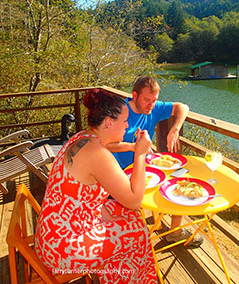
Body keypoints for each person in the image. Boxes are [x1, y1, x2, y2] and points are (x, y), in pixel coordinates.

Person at [34, 88, 157, 284]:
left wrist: (108, 219)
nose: (128, 126)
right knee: (138, 234)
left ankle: (116, 277)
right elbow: (134, 200)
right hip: (62, 252)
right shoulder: (98, 154)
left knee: (128, 215)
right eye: (125, 121)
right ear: (109, 122)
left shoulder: (83, 138)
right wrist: (140, 153)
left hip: (52, 234)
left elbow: (90, 196)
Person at [108, 76, 203, 246]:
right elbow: (106, 145)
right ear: (134, 95)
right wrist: (134, 147)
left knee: (177, 179)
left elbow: (183, 107)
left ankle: (175, 231)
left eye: (154, 100)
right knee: (152, 195)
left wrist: (174, 129)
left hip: (145, 166)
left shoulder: (153, 108)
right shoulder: (118, 112)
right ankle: (140, 234)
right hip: (119, 173)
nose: (151, 105)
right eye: (147, 100)